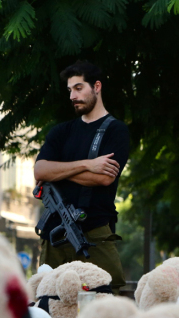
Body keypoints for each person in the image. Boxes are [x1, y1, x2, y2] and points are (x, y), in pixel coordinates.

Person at [34, 60, 131, 295]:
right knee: (49, 299)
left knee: (106, 297)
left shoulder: (116, 130)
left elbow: (104, 179)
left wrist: (59, 174)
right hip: (54, 232)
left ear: (96, 87)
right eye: (70, 90)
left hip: (95, 230)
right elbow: (40, 172)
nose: (72, 96)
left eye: (79, 88)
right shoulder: (61, 131)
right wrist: (89, 164)